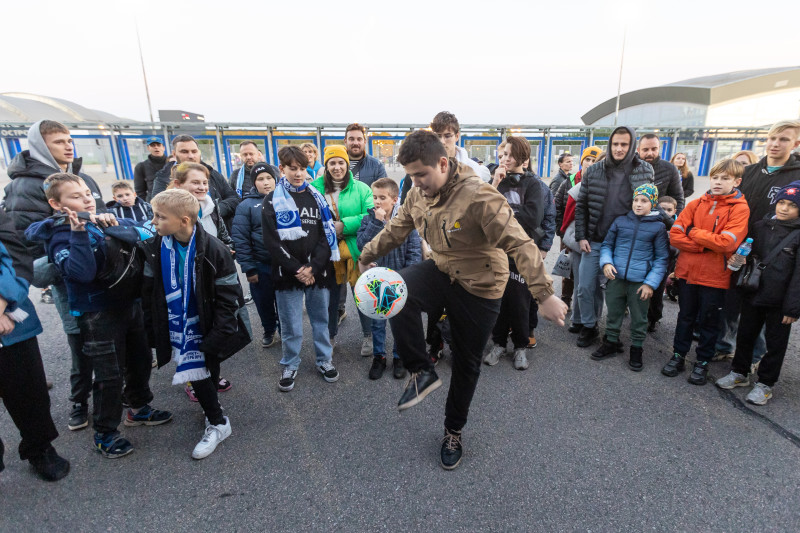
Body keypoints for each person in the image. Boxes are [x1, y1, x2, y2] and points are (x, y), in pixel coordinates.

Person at [358, 130, 567, 470]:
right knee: (395, 290)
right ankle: (422, 370)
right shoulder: (418, 193)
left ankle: (453, 430)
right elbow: (397, 228)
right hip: (444, 269)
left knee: (467, 363)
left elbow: (520, 243)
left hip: (482, 285)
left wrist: (544, 294)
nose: (415, 182)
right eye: (410, 175)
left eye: (421, 174)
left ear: (443, 163)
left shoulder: (479, 196)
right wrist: (367, 254)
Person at [26, 173, 173, 458]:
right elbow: (82, 273)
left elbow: (147, 233)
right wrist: (79, 233)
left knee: (140, 360)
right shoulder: (59, 235)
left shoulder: (102, 219)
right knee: (109, 375)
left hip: (128, 304)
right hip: (97, 314)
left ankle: (138, 407)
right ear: (56, 204)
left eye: (87, 193)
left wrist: (115, 225)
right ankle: (105, 433)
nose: (86, 200)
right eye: (75, 196)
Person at [3, 119, 106, 431]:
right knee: (80, 345)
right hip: (68, 282)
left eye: (69, 139)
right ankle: (80, 402)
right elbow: (22, 246)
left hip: (101, 282)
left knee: (106, 344)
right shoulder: (26, 186)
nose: (68, 146)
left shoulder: (82, 176)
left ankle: (111, 397)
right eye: (59, 141)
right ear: (40, 145)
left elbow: (100, 218)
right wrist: (68, 260)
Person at [142, 189, 250, 458]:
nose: (153, 221)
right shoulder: (156, 247)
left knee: (204, 368)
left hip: (208, 324)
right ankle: (214, 415)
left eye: (160, 217)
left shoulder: (215, 250)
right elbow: (148, 291)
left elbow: (229, 298)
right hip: (178, 324)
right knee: (201, 372)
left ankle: (218, 423)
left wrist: (218, 335)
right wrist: (152, 327)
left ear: (184, 221)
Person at [715, 121, 800, 361]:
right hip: (739, 248)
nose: (775, 144)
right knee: (730, 300)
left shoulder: (796, 175)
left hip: (774, 253)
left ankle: (755, 356)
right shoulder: (749, 172)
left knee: (761, 305)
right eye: (772, 138)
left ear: (796, 143)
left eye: (783, 139)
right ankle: (724, 346)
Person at [661, 159, 749, 386]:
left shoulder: (740, 208)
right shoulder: (695, 204)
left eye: (725, 178)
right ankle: (678, 355)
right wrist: (705, 245)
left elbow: (727, 243)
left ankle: (702, 362)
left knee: (709, 322)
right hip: (687, 273)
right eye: (715, 177)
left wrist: (693, 232)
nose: (718, 182)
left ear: (737, 181)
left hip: (715, 277)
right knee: (685, 318)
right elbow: (675, 236)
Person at [715, 181, 800, 405]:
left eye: (792, 205)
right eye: (781, 202)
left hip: (780, 301)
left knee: (775, 344)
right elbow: (748, 255)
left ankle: (765, 384)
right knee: (745, 334)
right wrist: (738, 261)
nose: (784, 208)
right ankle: (739, 372)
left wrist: (792, 308)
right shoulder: (761, 226)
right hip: (753, 292)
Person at [262, 146, 339, 392]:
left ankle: (324, 360)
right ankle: (290, 364)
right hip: (287, 274)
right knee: (291, 325)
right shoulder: (271, 200)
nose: (298, 174)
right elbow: (272, 241)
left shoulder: (317, 197)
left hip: (318, 272)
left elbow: (326, 237)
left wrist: (313, 267)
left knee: (321, 320)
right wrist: (297, 269)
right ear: (281, 168)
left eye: (303, 169)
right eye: (292, 168)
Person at [574, 126, 654, 348]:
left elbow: (648, 205)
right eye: (615, 144)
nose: (619, 148)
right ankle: (589, 326)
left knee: (617, 293)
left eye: (624, 144)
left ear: (632, 146)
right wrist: (581, 236)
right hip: (595, 240)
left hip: (625, 244)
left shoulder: (644, 170)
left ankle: (612, 335)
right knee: (585, 287)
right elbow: (582, 206)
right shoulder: (594, 170)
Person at [0, 231, 70, 481]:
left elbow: (14, 258)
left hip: (10, 320)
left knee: (28, 391)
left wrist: (2, 302)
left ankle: (39, 448)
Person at [484, 137, 547, 370]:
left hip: (521, 252)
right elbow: (483, 211)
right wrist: (495, 182)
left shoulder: (533, 184)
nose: (505, 159)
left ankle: (520, 346)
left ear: (522, 157)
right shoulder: (496, 181)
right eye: (503, 155)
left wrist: (503, 215)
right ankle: (499, 343)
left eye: (510, 155)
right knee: (497, 299)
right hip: (496, 251)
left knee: (520, 301)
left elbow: (533, 218)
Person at [592, 184, 669, 371]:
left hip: (640, 282)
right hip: (616, 278)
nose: (638, 204)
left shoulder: (658, 227)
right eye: (636, 200)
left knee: (639, 317)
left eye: (644, 201)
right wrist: (606, 263)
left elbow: (661, 259)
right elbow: (607, 245)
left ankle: (637, 348)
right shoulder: (620, 221)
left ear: (653, 203)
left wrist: (650, 284)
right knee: (614, 312)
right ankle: (611, 342)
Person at [311, 145, 375, 354]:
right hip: (327, 251)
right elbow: (309, 217)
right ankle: (330, 336)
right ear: (326, 165)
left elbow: (369, 215)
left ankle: (368, 335)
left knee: (362, 294)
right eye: (332, 163)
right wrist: (328, 230)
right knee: (331, 298)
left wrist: (343, 225)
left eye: (341, 162)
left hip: (356, 249)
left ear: (347, 165)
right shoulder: (314, 188)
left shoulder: (361, 189)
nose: (337, 167)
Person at [356, 177, 422, 380]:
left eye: (382, 198)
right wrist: (376, 222)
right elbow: (362, 245)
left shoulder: (405, 221)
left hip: (399, 280)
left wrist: (407, 277)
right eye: (375, 197)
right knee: (377, 321)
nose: (377, 201)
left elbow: (414, 251)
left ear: (394, 199)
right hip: (376, 282)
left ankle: (399, 356)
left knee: (399, 322)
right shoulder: (368, 220)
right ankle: (379, 357)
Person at [232, 163, 280, 348]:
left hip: (283, 265)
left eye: (269, 178)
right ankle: (269, 329)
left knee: (284, 303)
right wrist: (249, 268)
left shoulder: (285, 199)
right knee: (263, 302)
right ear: (254, 183)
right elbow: (240, 239)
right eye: (260, 179)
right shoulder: (246, 206)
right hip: (260, 265)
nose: (266, 182)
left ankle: (285, 329)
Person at [149, 135, 240, 227]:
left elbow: (233, 198)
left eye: (194, 151)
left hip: (216, 229)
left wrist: (214, 211)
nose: (191, 156)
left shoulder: (212, 173)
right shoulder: (163, 177)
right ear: (174, 154)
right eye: (184, 152)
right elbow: (158, 208)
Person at [555, 146, 602, 310]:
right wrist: (561, 231)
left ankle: (582, 305)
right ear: (582, 161)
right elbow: (557, 206)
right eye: (587, 159)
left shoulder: (601, 182)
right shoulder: (569, 181)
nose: (590, 163)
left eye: (594, 160)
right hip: (568, 234)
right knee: (568, 268)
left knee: (587, 271)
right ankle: (565, 299)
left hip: (590, 236)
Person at [637, 134, 685, 211]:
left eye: (654, 149)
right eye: (645, 150)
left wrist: (674, 218)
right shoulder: (628, 167)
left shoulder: (670, 169)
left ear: (659, 148)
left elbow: (678, 199)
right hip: (631, 216)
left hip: (659, 216)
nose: (650, 153)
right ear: (638, 150)